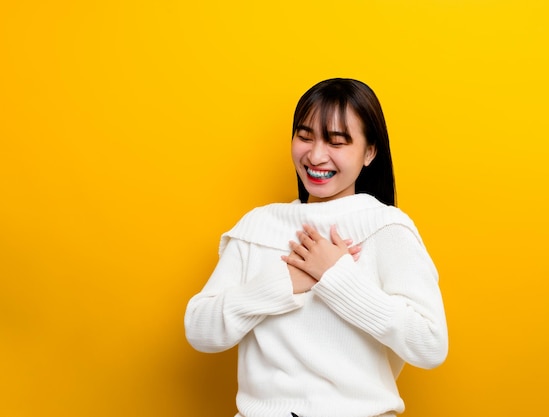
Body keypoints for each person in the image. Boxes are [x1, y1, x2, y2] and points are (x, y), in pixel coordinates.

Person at [184, 78, 448, 417]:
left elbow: (429, 344)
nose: (316, 154)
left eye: (336, 141)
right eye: (305, 136)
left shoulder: (386, 228)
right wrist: (285, 281)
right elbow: (200, 330)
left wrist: (335, 277)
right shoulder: (259, 227)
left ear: (370, 152)